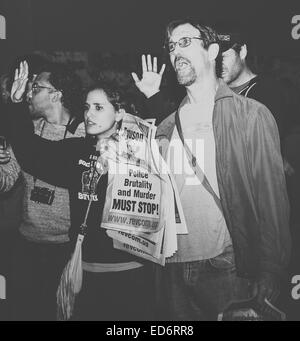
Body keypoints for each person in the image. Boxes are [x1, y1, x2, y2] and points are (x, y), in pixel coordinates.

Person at [153, 18, 291, 320]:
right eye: (172, 46)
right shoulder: (165, 126)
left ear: (212, 50)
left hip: (225, 266)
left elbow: (271, 197)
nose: (176, 51)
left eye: (185, 42)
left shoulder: (249, 115)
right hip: (172, 267)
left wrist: (271, 270)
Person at [7, 61, 155, 321]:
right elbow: (31, 152)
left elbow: (162, 141)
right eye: (87, 107)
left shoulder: (137, 153)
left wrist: (152, 99)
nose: (89, 114)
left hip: (131, 273)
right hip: (87, 271)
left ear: (119, 113)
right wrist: (17, 103)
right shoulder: (77, 151)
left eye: (99, 107)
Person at [9, 61, 85, 321]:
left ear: (56, 94)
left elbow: (38, 157)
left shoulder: (84, 134)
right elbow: (7, 180)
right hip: (27, 242)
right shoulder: (28, 131)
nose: (29, 92)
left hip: (65, 249)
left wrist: (14, 107)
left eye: (36, 87)